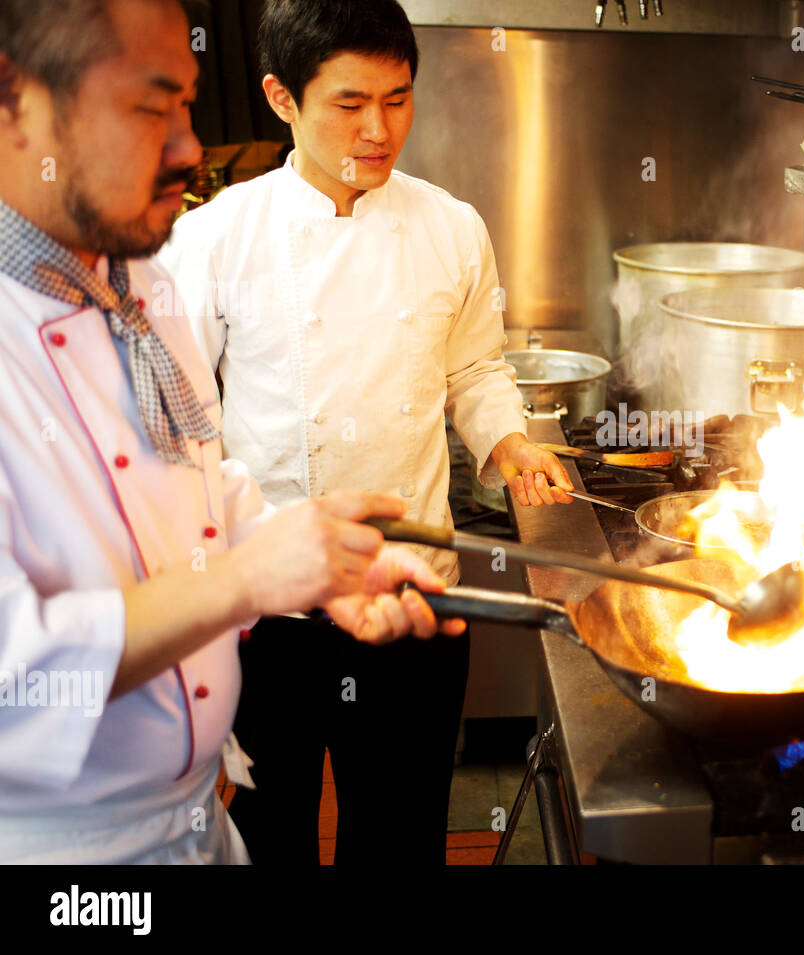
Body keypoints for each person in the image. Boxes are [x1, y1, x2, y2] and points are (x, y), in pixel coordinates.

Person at [0, 0, 455, 864]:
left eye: (186, 104)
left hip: (200, 826)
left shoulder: (140, 288)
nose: (186, 146)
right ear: (14, 103)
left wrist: (319, 563)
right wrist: (247, 576)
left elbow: (205, 495)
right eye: (148, 105)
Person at [159, 0, 575, 865]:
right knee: (269, 838)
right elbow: (180, 428)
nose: (380, 129)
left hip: (416, 590)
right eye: (351, 104)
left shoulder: (452, 227)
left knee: (400, 837)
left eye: (399, 97)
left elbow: (474, 371)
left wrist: (508, 442)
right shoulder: (213, 238)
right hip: (271, 608)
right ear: (282, 98)